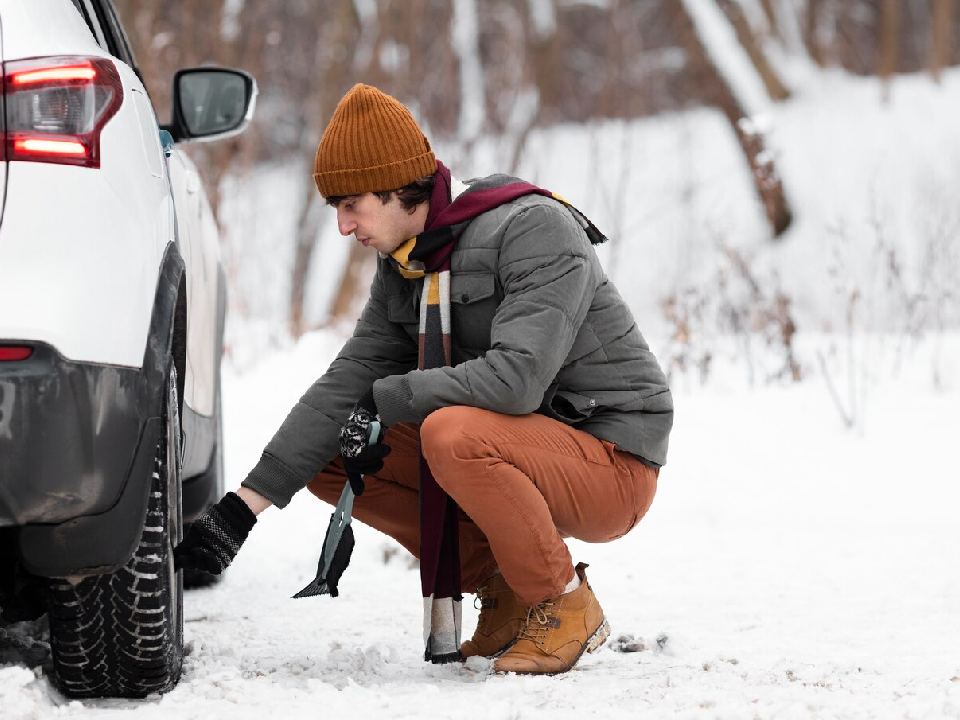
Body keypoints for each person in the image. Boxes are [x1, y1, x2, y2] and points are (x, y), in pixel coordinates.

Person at [174, 83, 673, 676]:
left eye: (351, 204)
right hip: (523, 444)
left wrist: (393, 397)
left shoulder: (533, 228)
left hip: (610, 459)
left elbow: (516, 382)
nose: (341, 226)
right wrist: (242, 508)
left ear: (395, 188)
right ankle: (507, 591)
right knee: (340, 452)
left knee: (451, 433)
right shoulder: (408, 262)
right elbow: (350, 380)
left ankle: (562, 603)